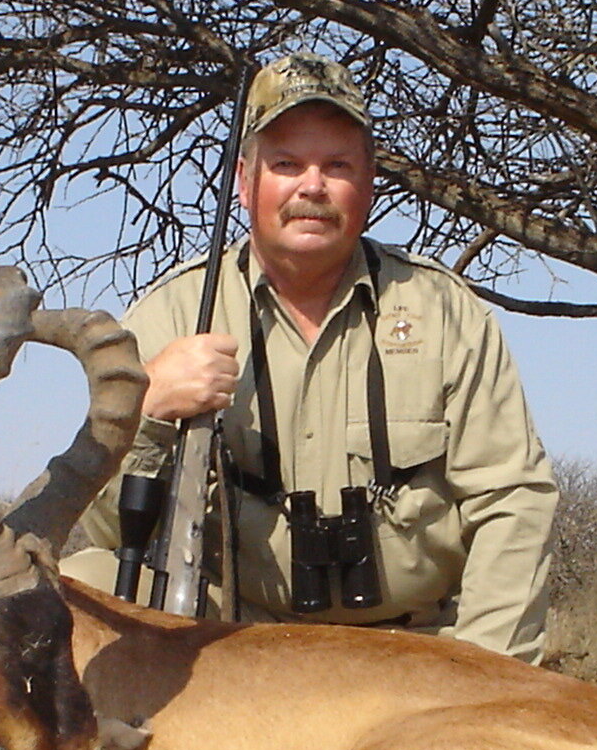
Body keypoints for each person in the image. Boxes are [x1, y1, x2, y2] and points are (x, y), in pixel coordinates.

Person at [63, 52, 557, 663]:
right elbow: (113, 535)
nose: (313, 186)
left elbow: (512, 499)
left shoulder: (443, 310)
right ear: (245, 182)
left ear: (369, 183)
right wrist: (151, 413)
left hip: (419, 646)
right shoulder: (173, 312)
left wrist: (488, 675)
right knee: (77, 582)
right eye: (288, 164)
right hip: (232, 637)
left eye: (337, 165)